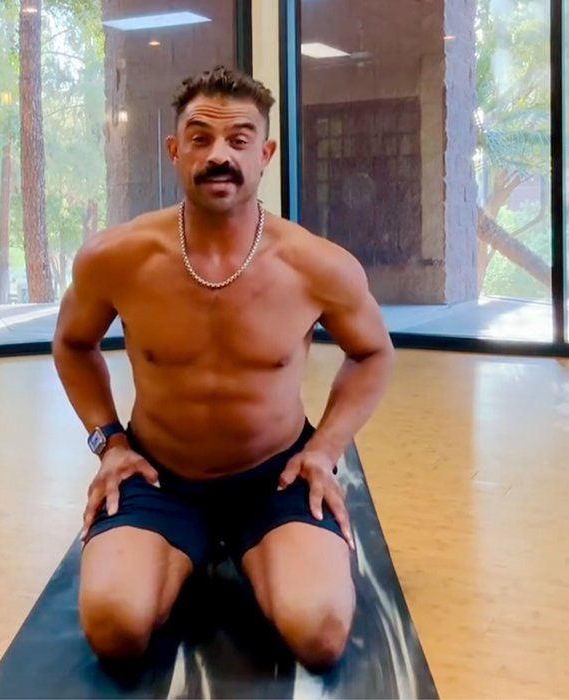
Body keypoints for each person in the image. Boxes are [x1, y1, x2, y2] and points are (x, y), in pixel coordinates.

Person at [52, 66, 395, 670]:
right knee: (115, 629)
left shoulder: (317, 264)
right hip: (159, 476)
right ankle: (183, 548)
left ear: (264, 154)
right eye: (200, 137)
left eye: (239, 140)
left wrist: (325, 450)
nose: (219, 156)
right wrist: (108, 442)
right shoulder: (117, 257)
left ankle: (254, 548)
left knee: (317, 634)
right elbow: (72, 344)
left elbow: (373, 352)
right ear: (174, 148)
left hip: (277, 476)